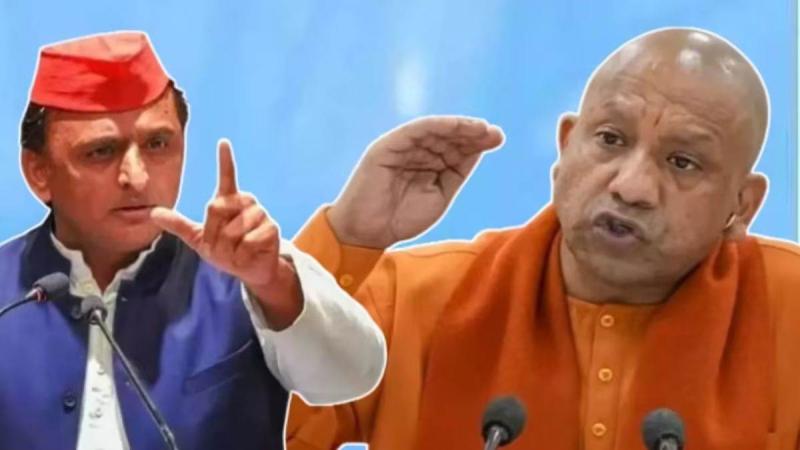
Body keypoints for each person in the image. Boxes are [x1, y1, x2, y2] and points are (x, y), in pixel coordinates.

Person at [286, 27, 800, 449]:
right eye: (610, 139)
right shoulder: (413, 301)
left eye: (682, 162)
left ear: (742, 206)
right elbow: (262, 421)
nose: (631, 187)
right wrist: (349, 235)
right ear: (565, 146)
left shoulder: (789, 311)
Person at [0, 31, 386, 450]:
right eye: (101, 152)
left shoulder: (247, 264)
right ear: (38, 172)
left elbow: (354, 375)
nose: (137, 178)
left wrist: (272, 281)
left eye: (157, 144)